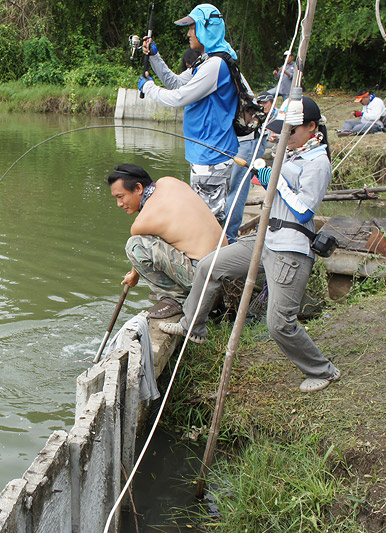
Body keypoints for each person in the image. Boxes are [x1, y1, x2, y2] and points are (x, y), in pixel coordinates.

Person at [161, 97, 342, 393]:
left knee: (279, 324)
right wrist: (263, 174)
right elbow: (275, 189)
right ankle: (193, 327)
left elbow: (304, 210)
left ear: (311, 127)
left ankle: (324, 371)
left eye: (290, 131)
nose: (283, 136)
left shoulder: (318, 162)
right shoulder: (293, 154)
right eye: (281, 131)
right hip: (264, 239)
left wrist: (275, 180)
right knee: (210, 266)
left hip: (290, 250)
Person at [138, 3, 239, 224]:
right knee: (202, 217)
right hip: (203, 153)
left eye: (192, 28)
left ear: (206, 28)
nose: (188, 33)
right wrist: (155, 57)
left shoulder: (216, 65)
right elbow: (175, 83)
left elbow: (180, 98)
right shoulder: (205, 61)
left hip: (212, 155)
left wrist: (148, 88)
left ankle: (212, 257)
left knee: (208, 222)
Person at [107, 163, 227, 319]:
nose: (119, 204)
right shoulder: (169, 182)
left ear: (138, 188)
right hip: (228, 268)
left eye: (121, 197)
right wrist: (134, 273)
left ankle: (176, 298)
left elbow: (141, 250)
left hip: (205, 280)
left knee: (135, 245)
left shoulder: (142, 222)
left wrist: (134, 275)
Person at [225, 92, 275, 243]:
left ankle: (229, 237)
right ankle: (224, 234)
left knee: (237, 190)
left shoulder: (232, 78)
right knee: (231, 189)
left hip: (248, 141)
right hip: (235, 139)